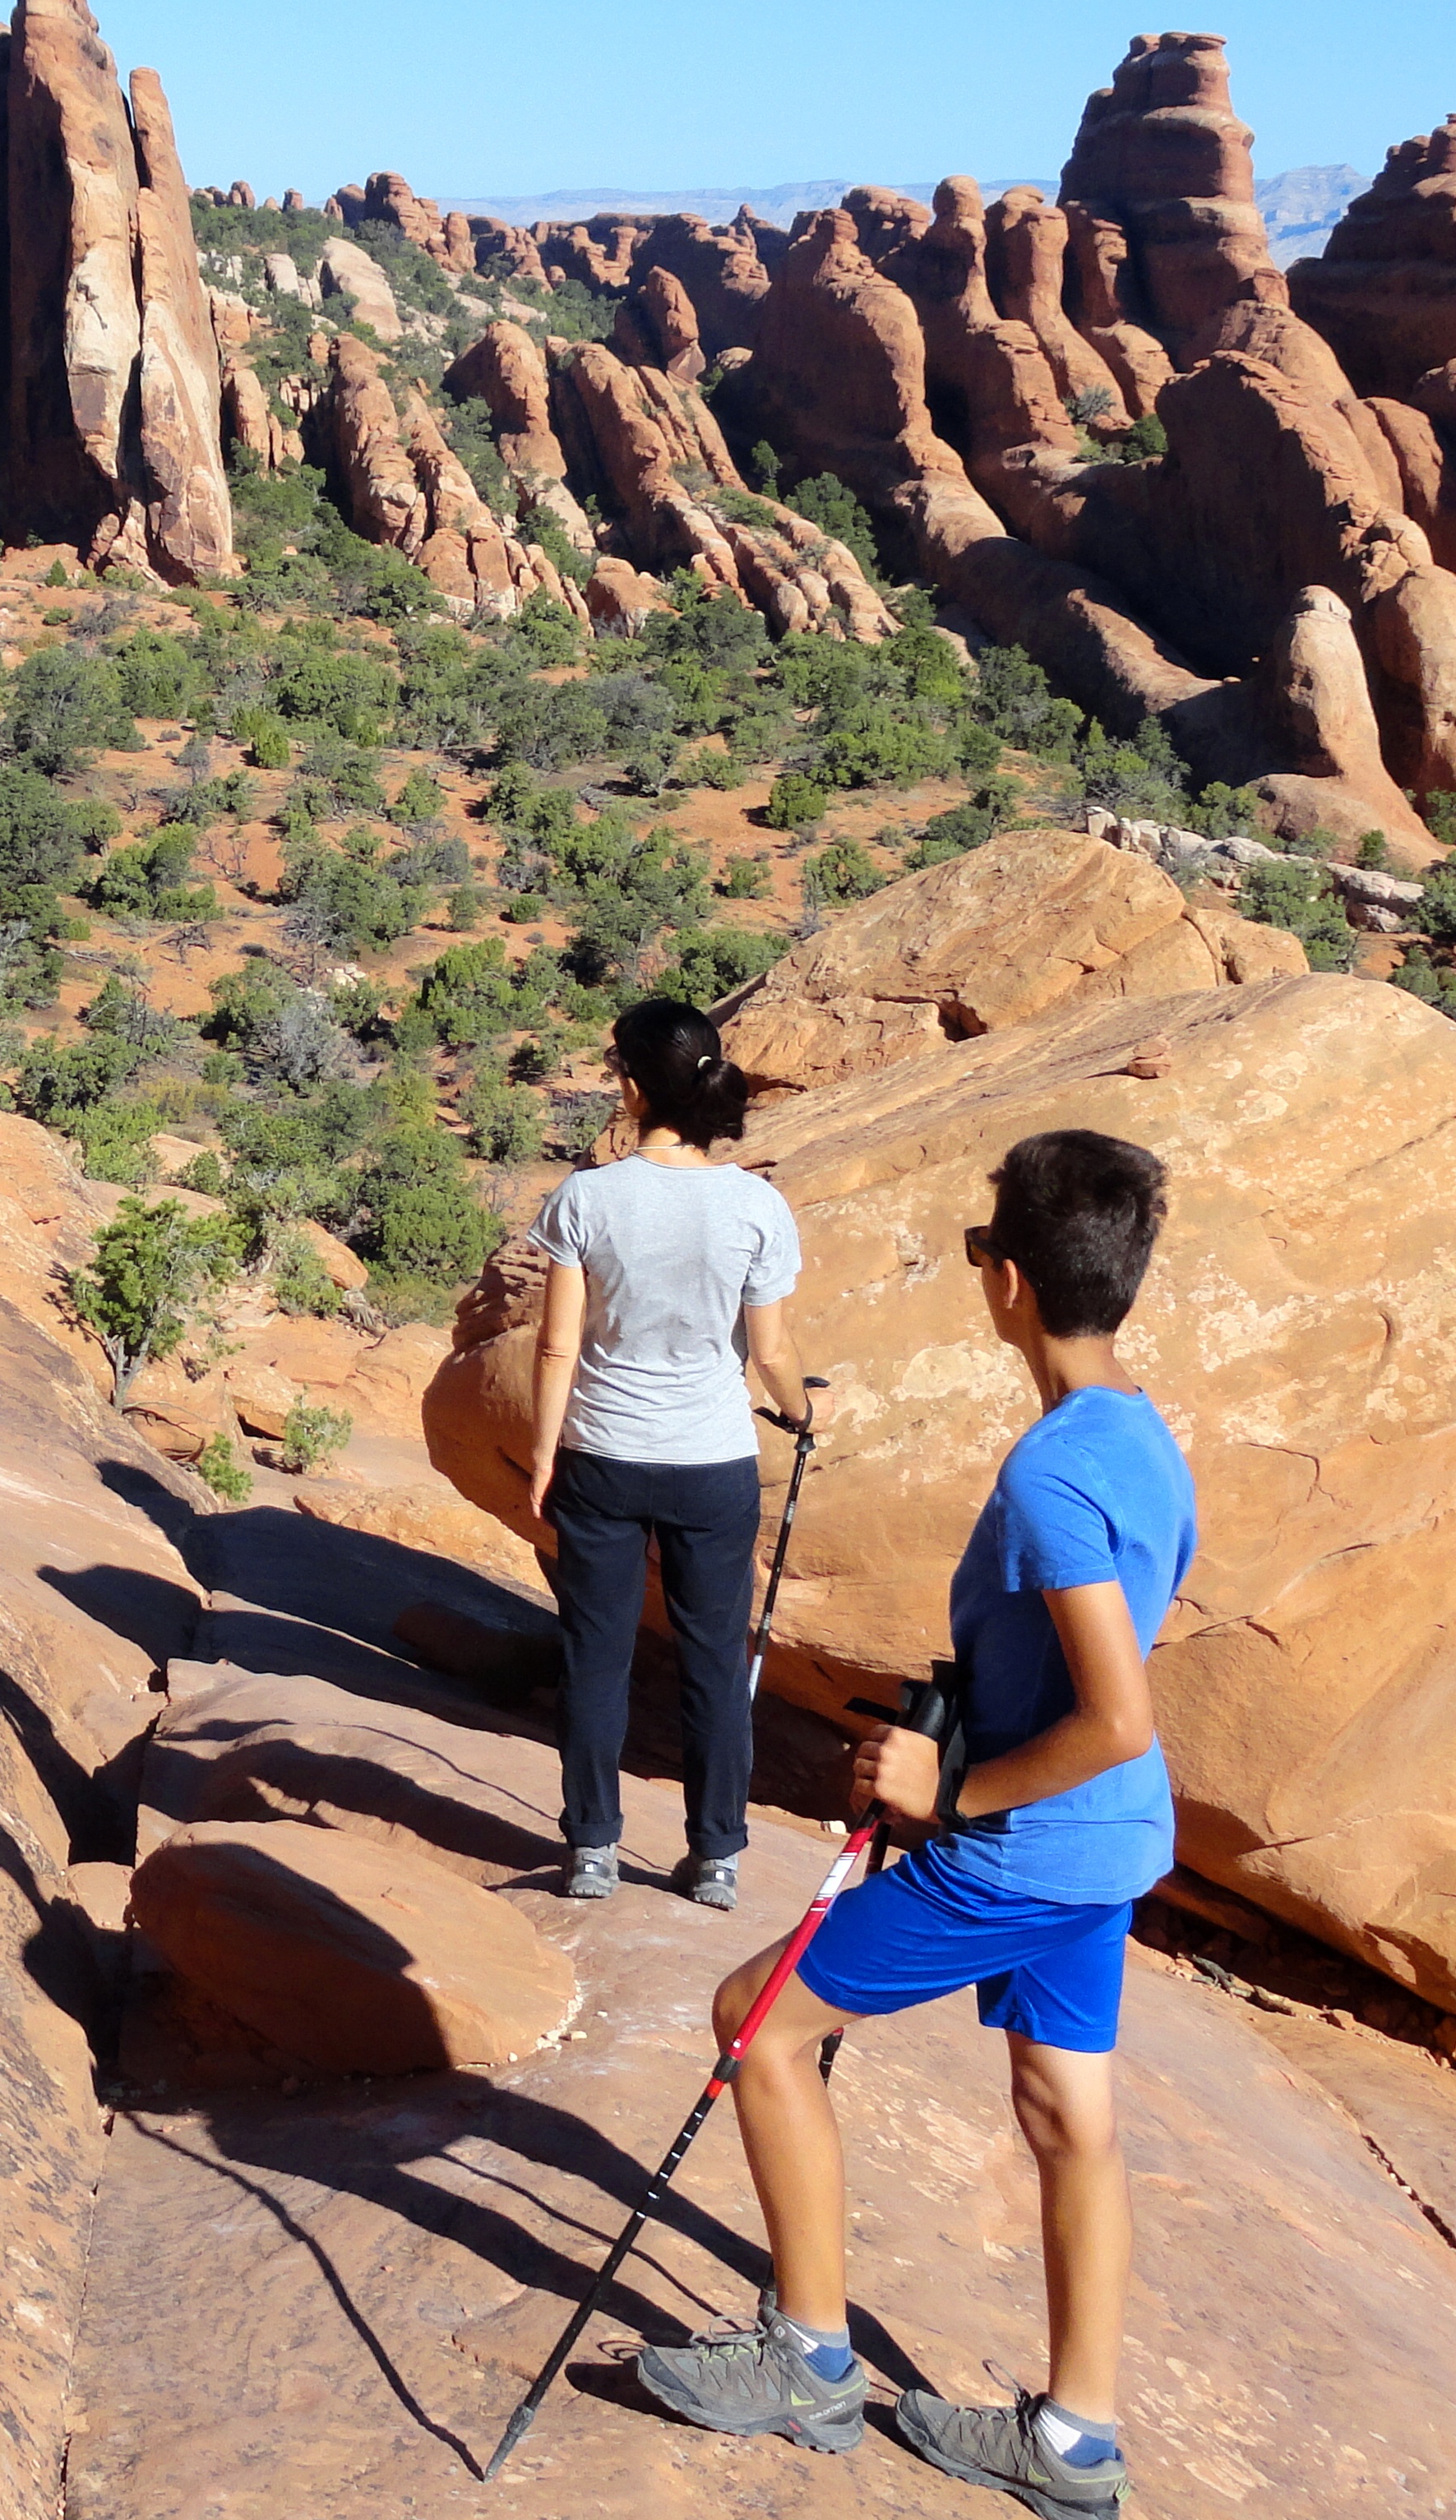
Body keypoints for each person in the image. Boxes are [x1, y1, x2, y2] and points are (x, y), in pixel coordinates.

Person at [632, 1127, 1193, 2519]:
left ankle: (806, 2359)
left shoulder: (1051, 1477)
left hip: (1027, 1843)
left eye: (976, 1249)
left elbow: (1113, 1708)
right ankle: (1073, 2441)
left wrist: (948, 1795)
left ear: (1005, 1281)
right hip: (1109, 1842)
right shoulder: (1138, 1437)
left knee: (756, 2024)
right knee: (1069, 2114)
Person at [520, 999, 808, 1913]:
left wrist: (540, 1455)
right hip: (711, 1463)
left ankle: (593, 1852)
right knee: (714, 1659)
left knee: (594, 1658)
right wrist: (803, 1414)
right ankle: (716, 1856)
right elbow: (769, 1354)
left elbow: (559, 1347)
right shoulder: (756, 1205)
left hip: (603, 1453)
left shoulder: (586, 1198)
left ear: (632, 1088)